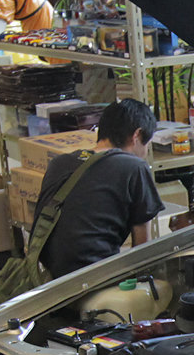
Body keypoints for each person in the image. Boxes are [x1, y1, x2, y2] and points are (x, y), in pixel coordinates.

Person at [36, 98, 163, 276]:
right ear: (136, 135)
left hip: (51, 276)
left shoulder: (59, 162)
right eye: (146, 144)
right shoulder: (134, 167)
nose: (145, 152)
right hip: (95, 275)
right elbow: (142, 251)